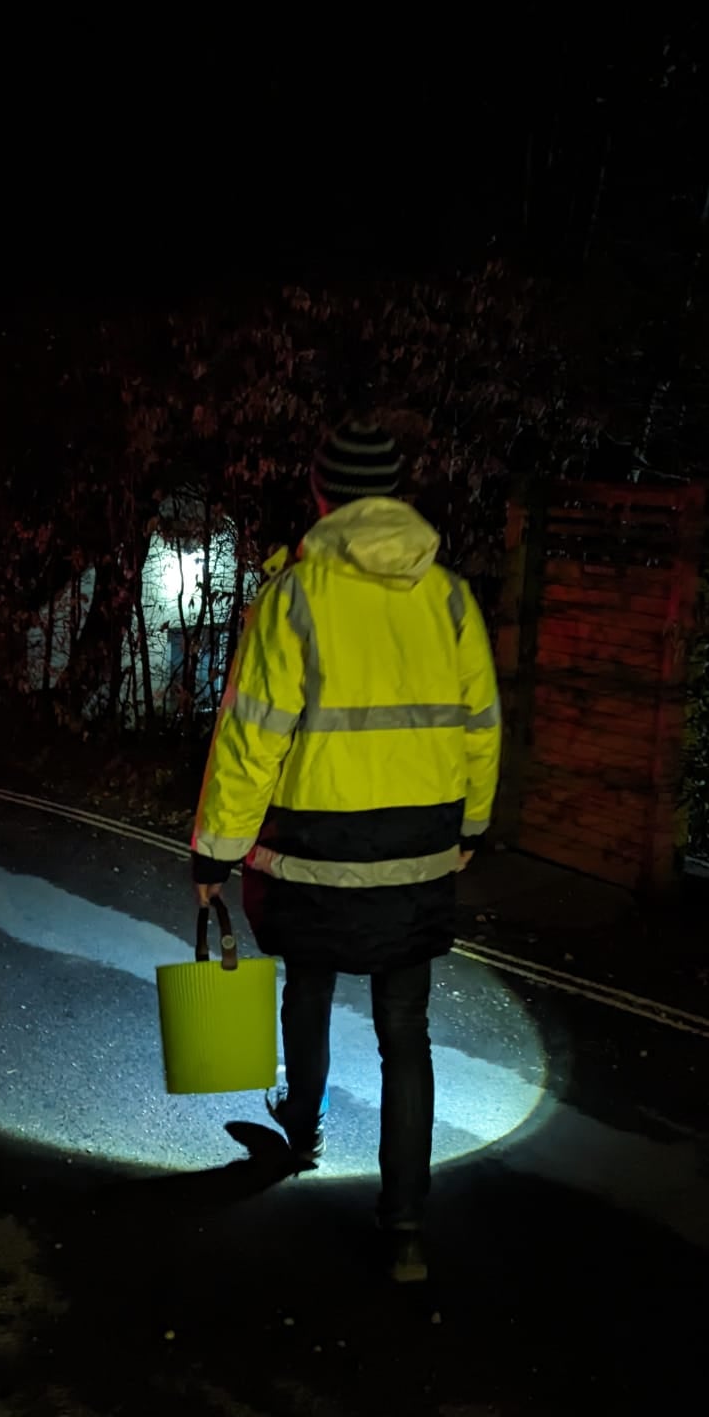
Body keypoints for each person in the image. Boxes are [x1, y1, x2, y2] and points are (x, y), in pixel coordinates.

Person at [190, 419, 502, 1283]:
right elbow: (481, 725)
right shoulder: (448, 597)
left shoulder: (293, 596)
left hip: (313, 847)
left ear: (323, 497)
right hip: (418, 849)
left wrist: (214, 853)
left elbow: (251, 740)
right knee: (408, 1030)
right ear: (399, 494)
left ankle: (301, 1132)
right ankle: (405, 1229)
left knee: (312, 986)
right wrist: (472, 826)